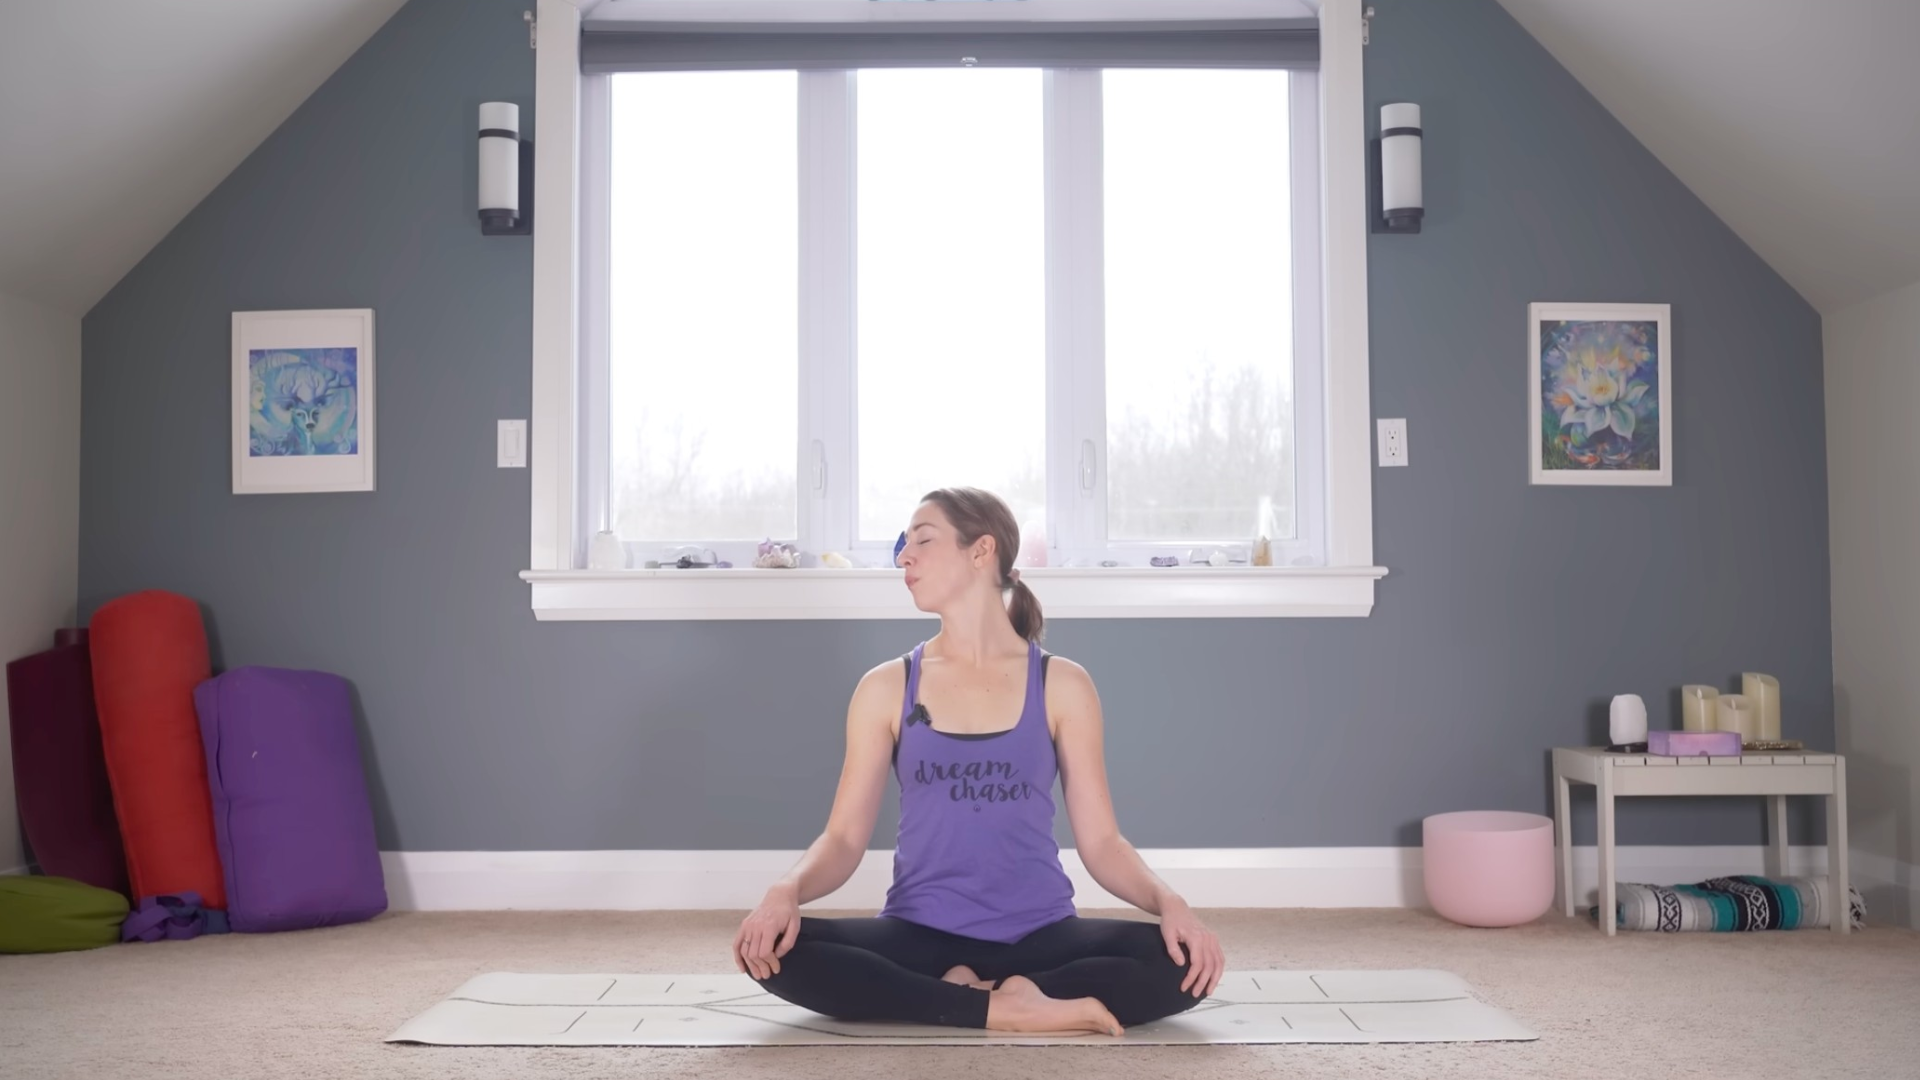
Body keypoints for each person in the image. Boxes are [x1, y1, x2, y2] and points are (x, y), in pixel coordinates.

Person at [732, 486, 1225, 1036]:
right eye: (903, 545)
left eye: (922, 540)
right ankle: (1012, 1007)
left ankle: (963, 999)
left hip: (1041, 935)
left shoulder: (1061, 684)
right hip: (920, 934)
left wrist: (1170, 902)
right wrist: (786, 891)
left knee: (1185, 963)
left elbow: (1103, 843)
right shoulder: (886, 687)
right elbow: (844, 840)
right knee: (775, 950)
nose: (904, 557)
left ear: (981, 551)